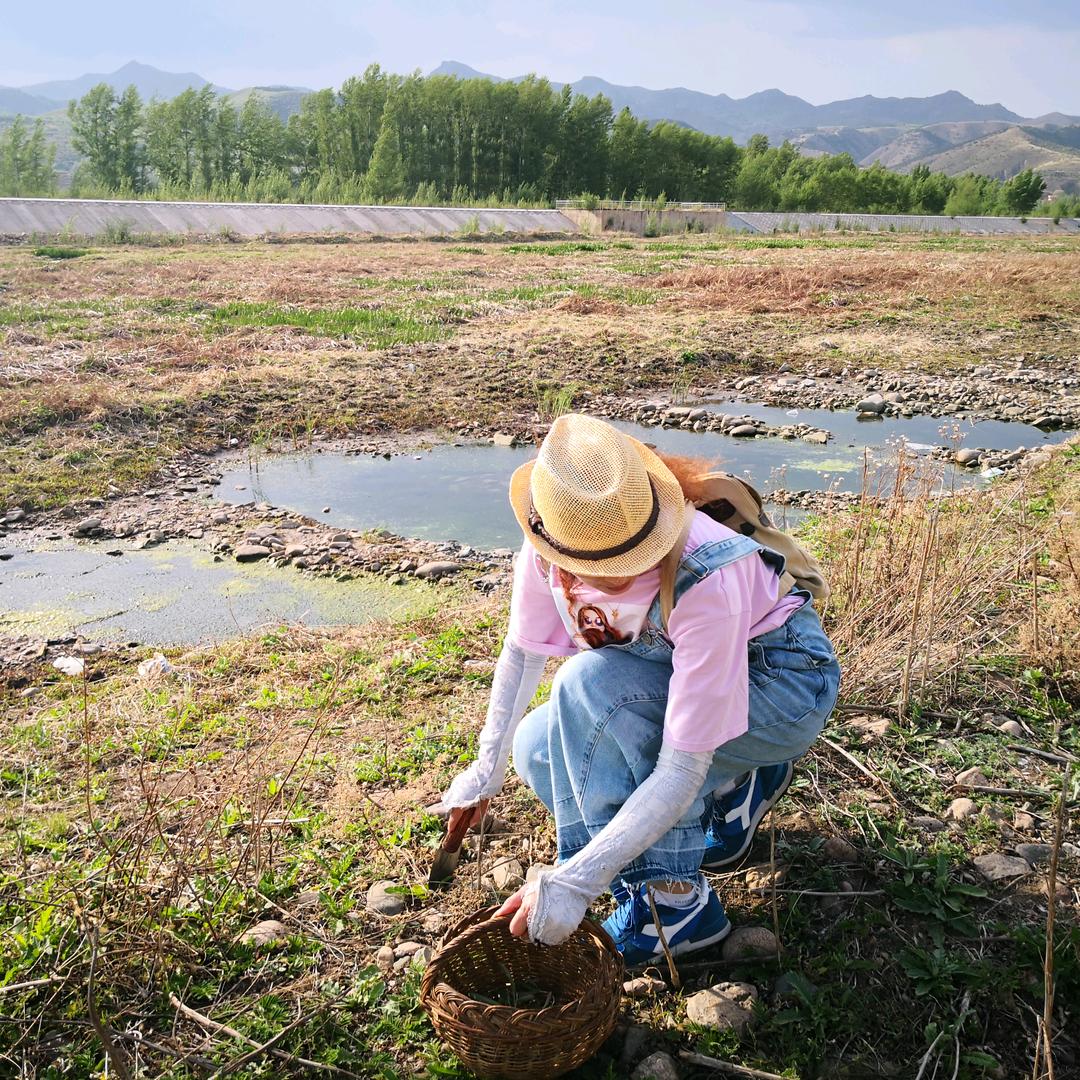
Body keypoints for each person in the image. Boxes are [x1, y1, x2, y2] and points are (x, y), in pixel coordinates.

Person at [434, 414, 840, 965]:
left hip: (780, 683)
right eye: (586, 563)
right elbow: (524, 652)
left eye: (628, 558)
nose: (603, 578)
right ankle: (733, 793)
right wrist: (484, 771)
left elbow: (678, 767)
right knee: (536, 747)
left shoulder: (707, 572)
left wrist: (576, 881)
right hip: (683, 680)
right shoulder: (549, 543)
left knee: (592, 686)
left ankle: (675, 909)